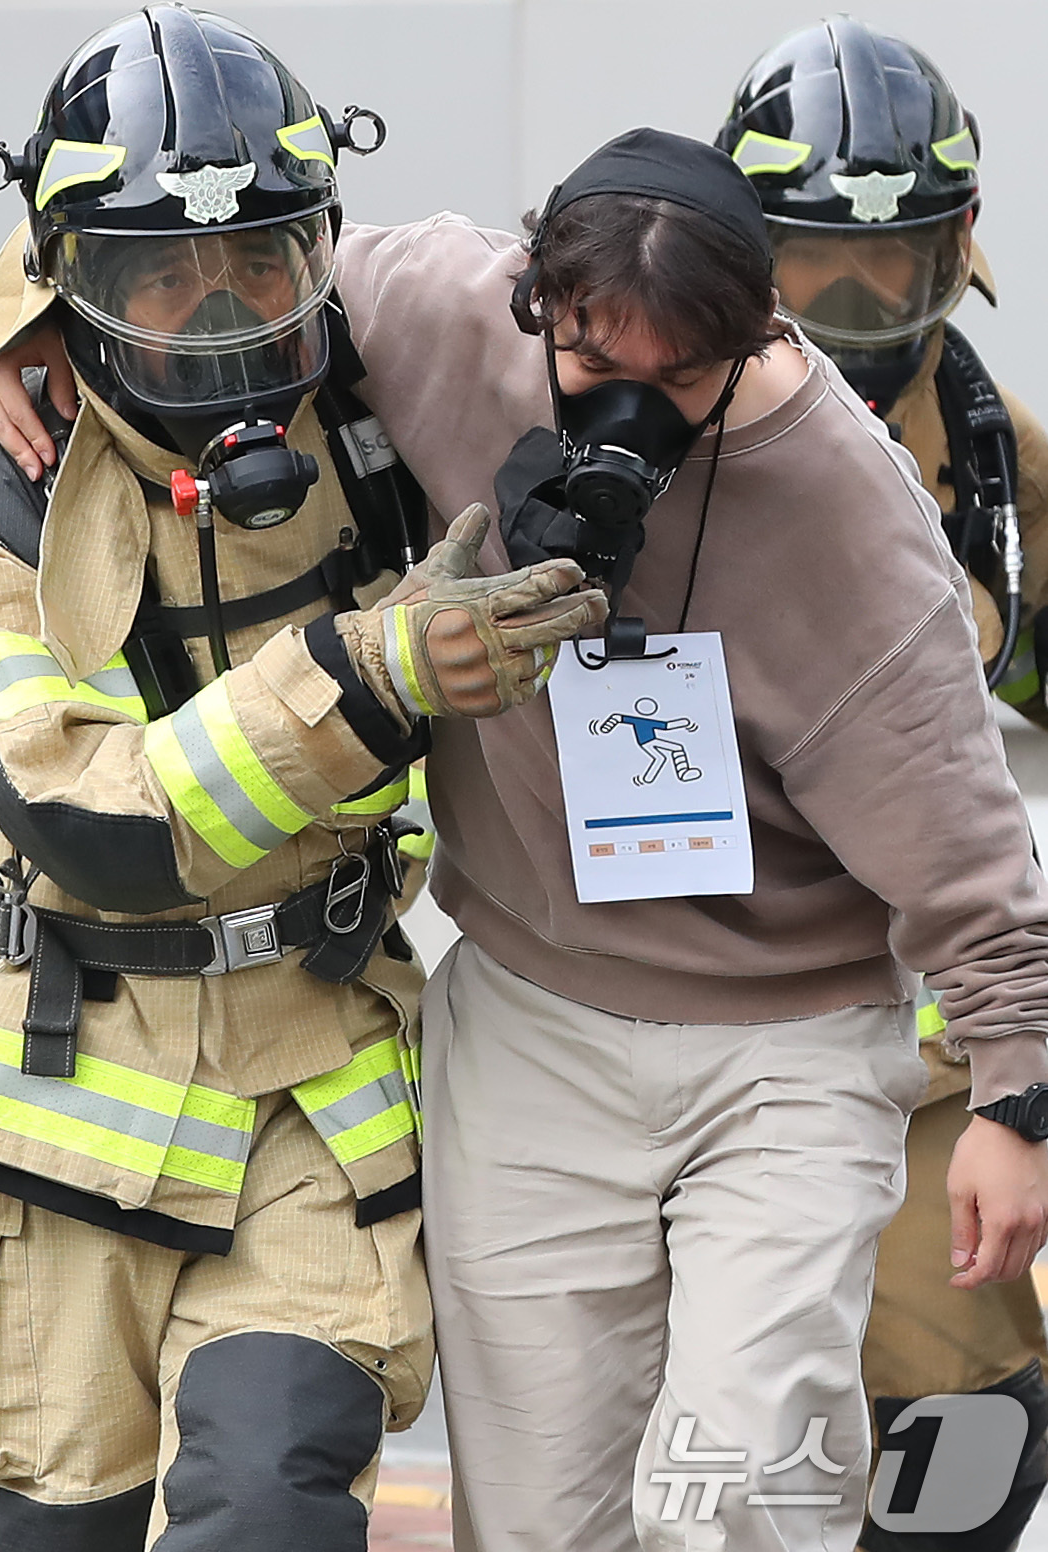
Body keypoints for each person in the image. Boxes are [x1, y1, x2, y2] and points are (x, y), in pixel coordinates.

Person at [0, 115, 1048, 1552]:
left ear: (761, 336)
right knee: (536, 1515)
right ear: (533, 299)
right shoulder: (434, 310)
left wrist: (1020, 1102)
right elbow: (202, 228)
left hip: (790, 1041)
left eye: (688, 382)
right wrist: (22, 329)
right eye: (594, 368)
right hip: (533, 1016)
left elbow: (972, 845)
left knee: (739, 1482)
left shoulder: (858, 524)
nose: (635, 414)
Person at [0, 6, 603, 1549]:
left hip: (313, 1091)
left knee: (278, 1503)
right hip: (57, 1106)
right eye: (157, 274)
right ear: (68, 284)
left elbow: (624, 306)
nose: (221, 314)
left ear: (323, 249)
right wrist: (375, 675)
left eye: (263, 263)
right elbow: (90, 826)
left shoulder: (381, 422)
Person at [715, 21, 1048, 1549]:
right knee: (698, 1481)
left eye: (892, 267)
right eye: (811, 267)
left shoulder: (1006, 481)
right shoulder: (602, 396)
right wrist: (29, 318)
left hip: (928, 1077)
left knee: (960, 1454)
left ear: (959, 248)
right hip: (692, 1056)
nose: (853, 314)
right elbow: (268, 241)